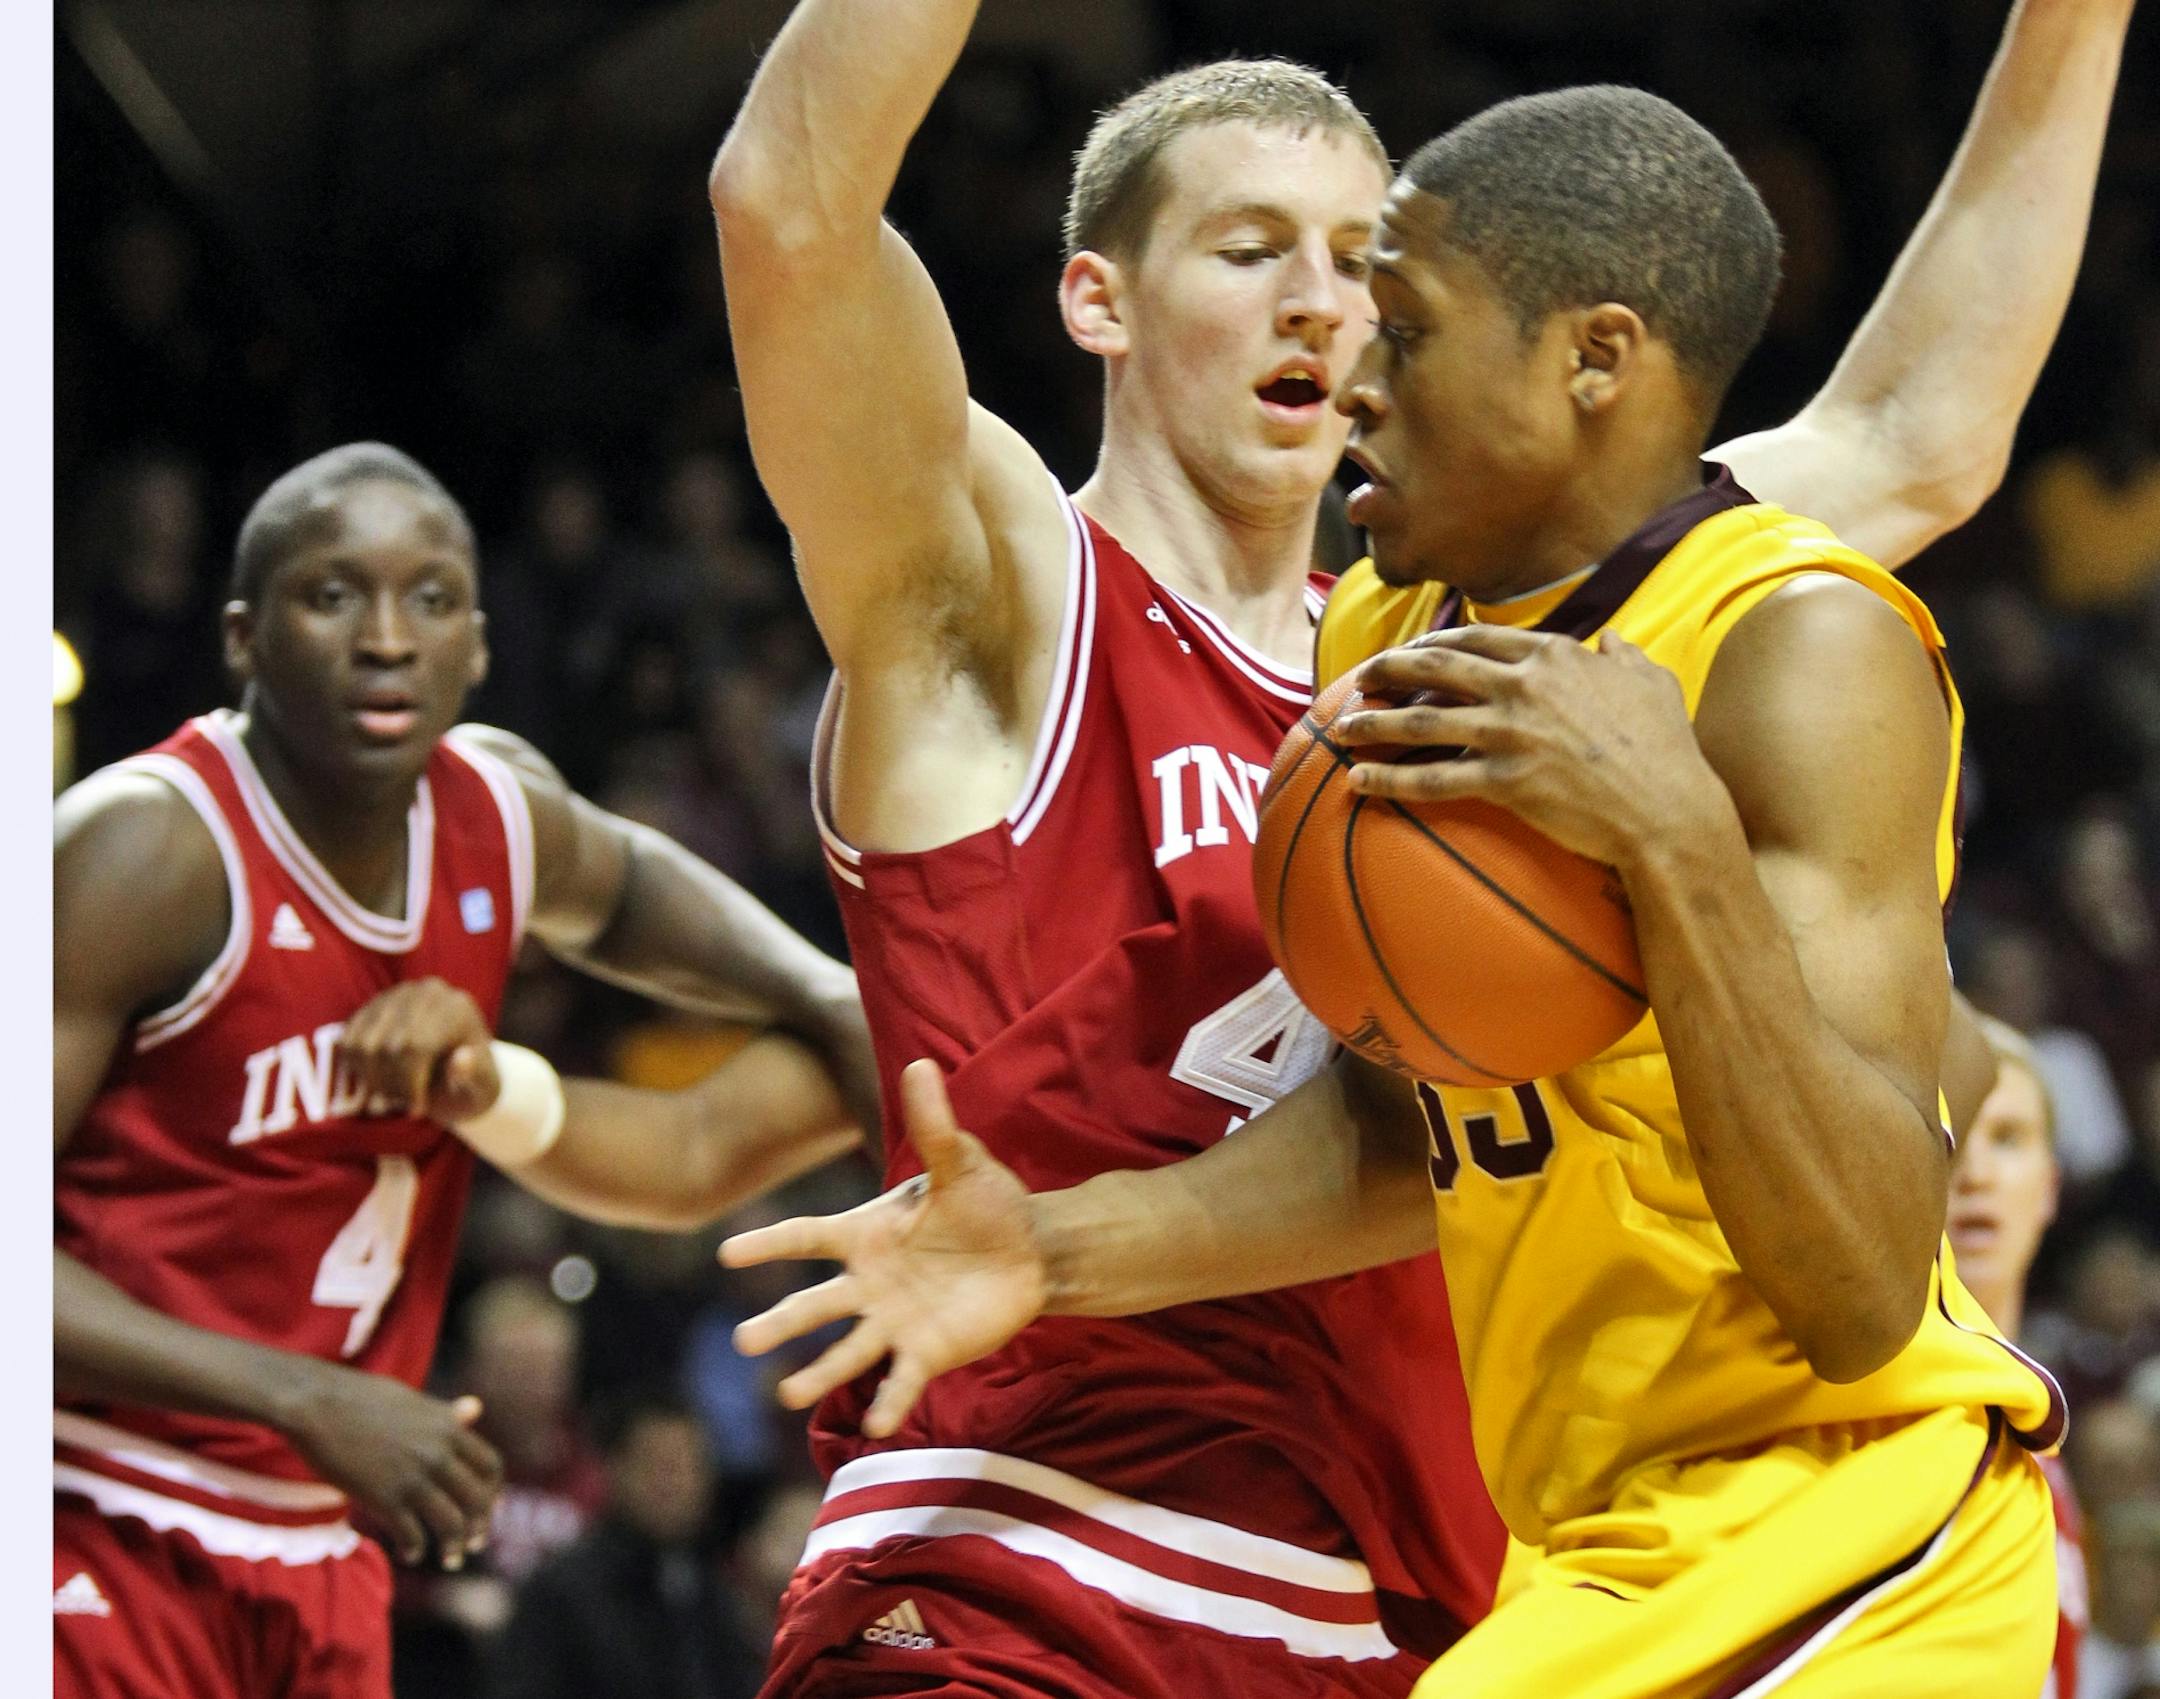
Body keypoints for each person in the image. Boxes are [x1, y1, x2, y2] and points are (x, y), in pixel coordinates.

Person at [708, 0, 2134, 1690]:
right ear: (1098, 295)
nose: (1323, 304)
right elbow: (789, 205)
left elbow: (1915, 432)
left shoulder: (1478, 641)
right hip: (1055, 1539)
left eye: (1366, 271)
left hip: (1433, 1601)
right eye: (1251, 250)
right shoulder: (1004, 593)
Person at [52, 442, 875, 1699]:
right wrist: (308, 1398)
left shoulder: (499, 812)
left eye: (431, 599)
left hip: (321, 1537)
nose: (388, 638)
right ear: (241, 636)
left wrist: (820, 988)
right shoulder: (145, 850)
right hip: (93, 1503)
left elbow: (638, 891)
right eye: (333, 595)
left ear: (480, 646)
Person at [1953, 1015, 2088, 1697]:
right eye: (1950, 1139)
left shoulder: (2050, 1444)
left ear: (2050, 1185)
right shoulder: (1875, 1419)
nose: (1975, 1173)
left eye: (2007, 1138)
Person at [486, 1391, 769, 1699]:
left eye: (689, 1465)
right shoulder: (561, 1593)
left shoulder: (713, 1590)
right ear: (615, 1470)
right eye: (660, 1466)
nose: (675, 1484)